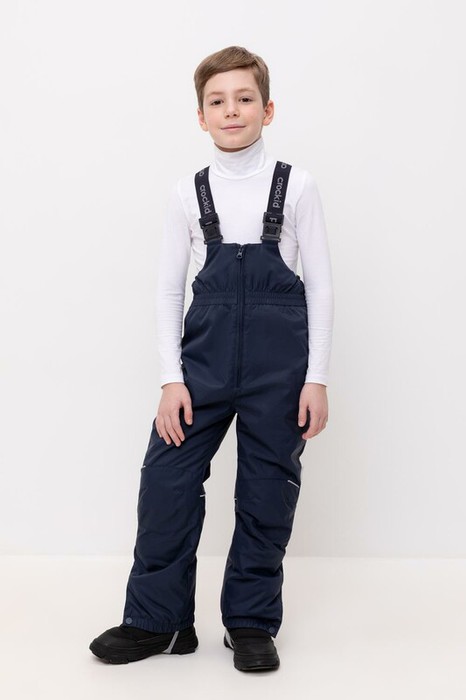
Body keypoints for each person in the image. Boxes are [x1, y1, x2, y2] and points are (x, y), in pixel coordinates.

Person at [89, 45, 334, 672]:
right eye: (217, 101)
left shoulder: (297, 186)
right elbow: (169, 291)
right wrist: (170, 380)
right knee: (166, 484)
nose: (232, 110)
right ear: (201, 116)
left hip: (280, 373)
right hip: (201, 368)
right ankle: (159, 622)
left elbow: (321, 286)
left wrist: (316, 378)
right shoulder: (187, 193)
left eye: (245, 98)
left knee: (266, 493)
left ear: (267, 109)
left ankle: (250, 622)